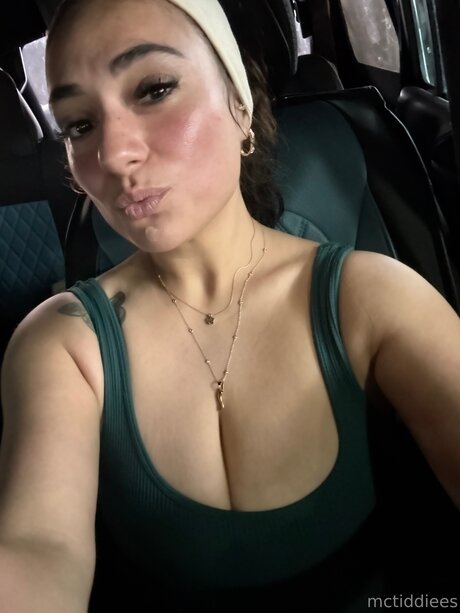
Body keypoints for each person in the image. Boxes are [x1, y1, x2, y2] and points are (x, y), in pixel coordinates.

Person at [0, 0, 459, 611]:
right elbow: (38, 544)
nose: (113, 154)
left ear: (239, 104)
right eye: (79, 125)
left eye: (154, 89)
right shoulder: (62, 342)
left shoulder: (374, 298)